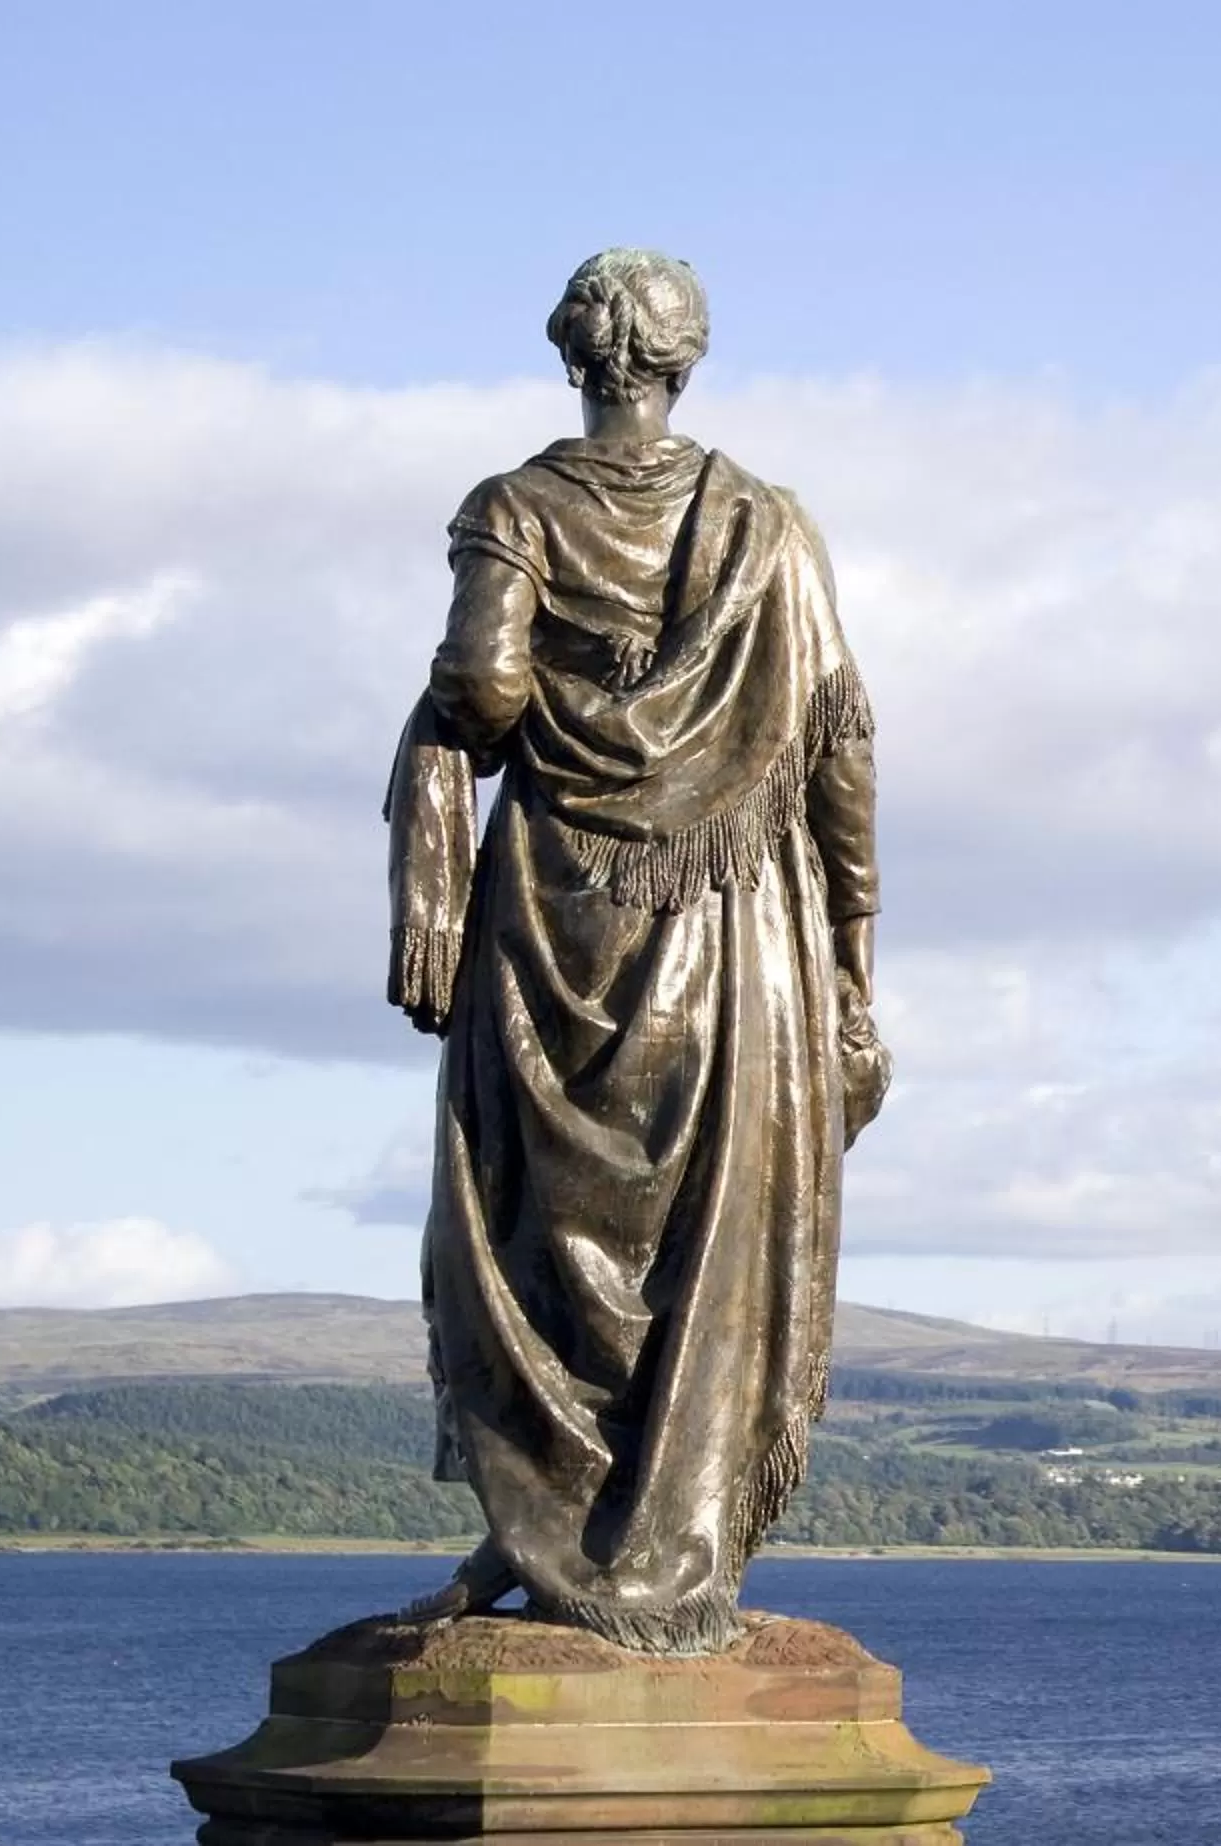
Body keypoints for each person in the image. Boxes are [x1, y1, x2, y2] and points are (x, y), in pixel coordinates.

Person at [382, 249, 884, 1653]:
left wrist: (447, 730)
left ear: (575, 358)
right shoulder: (771, 529)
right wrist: (853, 956)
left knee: (544, 1215)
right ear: (683, 362)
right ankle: (660, 1542)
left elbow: (482, 685)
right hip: (733, 930)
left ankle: (554, 1529)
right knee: (698, 1229)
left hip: (559, 901)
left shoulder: (516, 511)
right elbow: (842, 737)